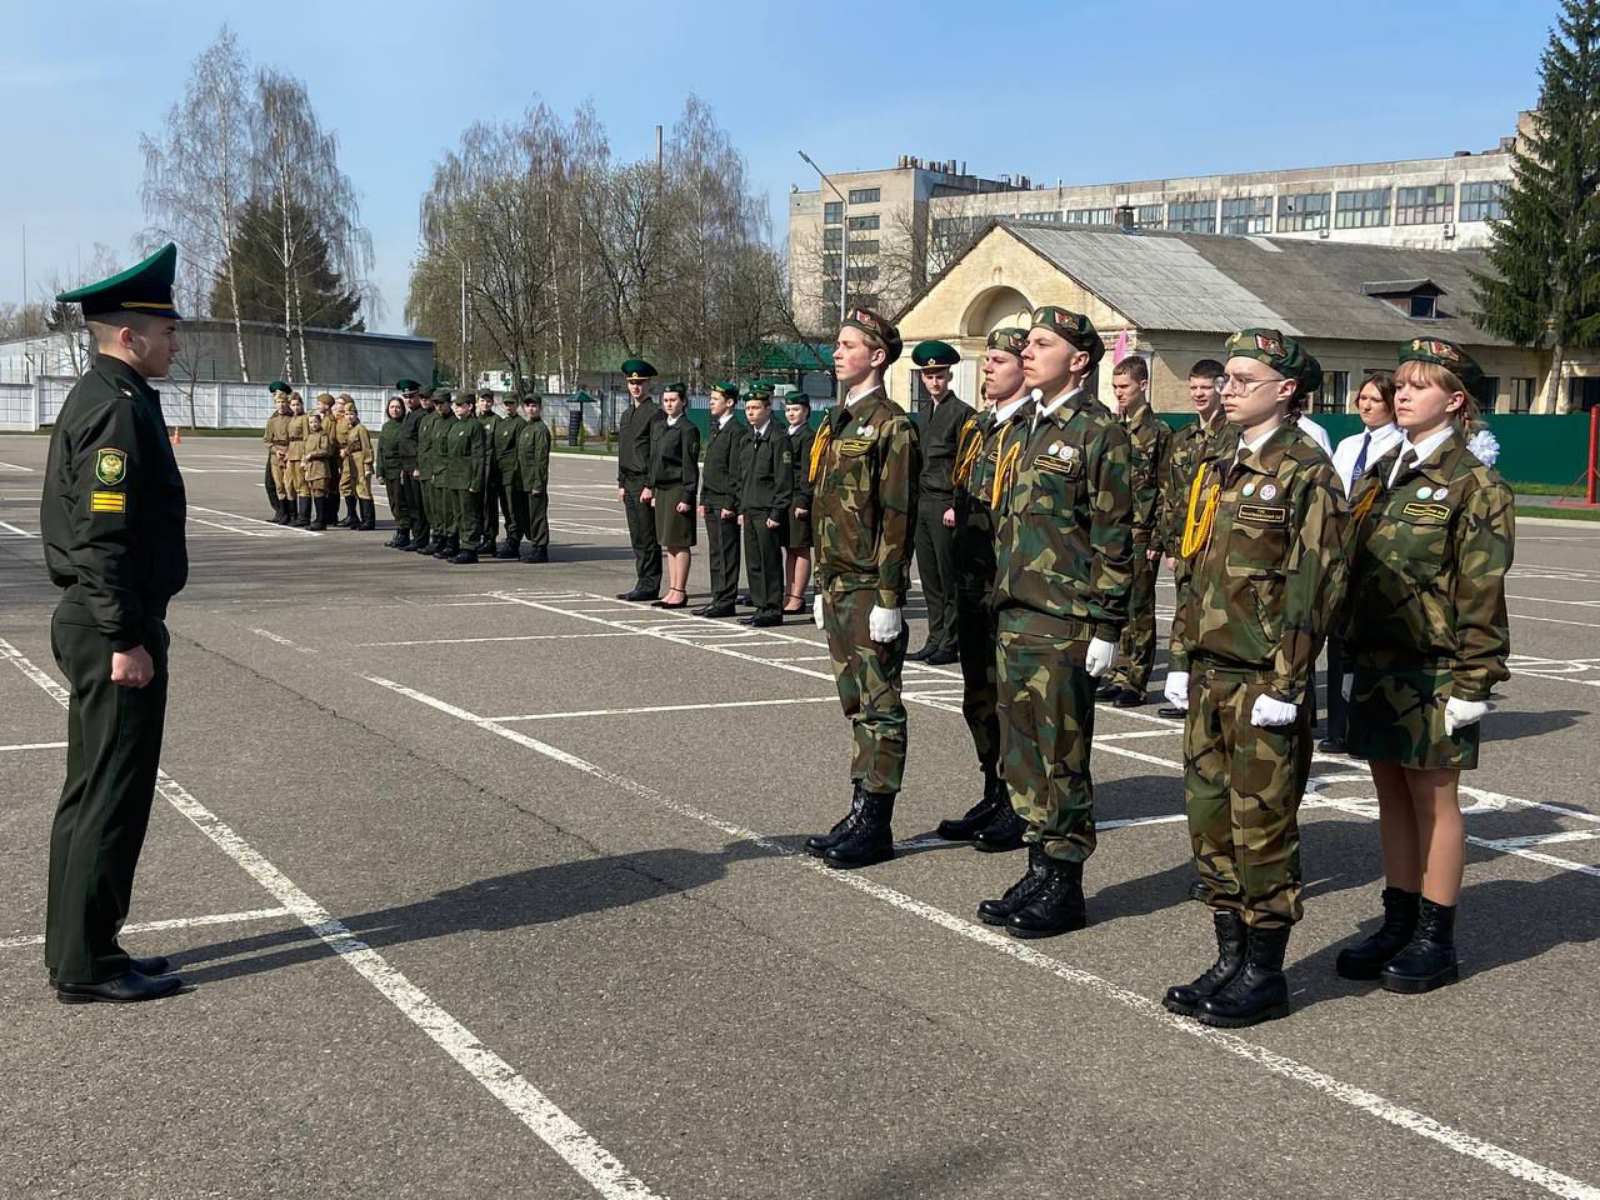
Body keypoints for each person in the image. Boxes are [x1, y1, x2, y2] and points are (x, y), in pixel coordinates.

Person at [1161, 328, 1348, 1028]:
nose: (1229, 388)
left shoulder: (1307, 471)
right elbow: (1194, 568)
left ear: (1287, 390)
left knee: (1261, 828)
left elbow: (1315, 584)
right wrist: (1179, 656)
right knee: (1210, 824)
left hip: (1263, 680)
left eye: (1245, 378)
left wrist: (1290, 683)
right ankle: (1229, 957)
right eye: (1229, 378)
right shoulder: (1218, 461)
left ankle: (1265, 974)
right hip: (1210, 672)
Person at [1333, 339, 1512, 994]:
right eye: (1399, 383)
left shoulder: (1474, 485)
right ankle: (1398, 917)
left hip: (1437, 668)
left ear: (1455, 400)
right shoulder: (1384, 473)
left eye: (1419, 385)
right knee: (1390, 794)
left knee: (1435, 798)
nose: (1402, 393)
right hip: (1381, 662)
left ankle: (1437, 936)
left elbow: (1481, 591)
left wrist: (1475, 681)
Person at [40, 242, 188, 1003]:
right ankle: (87, 963)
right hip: (110, 627)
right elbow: (102, 538)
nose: (175, 342)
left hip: (107, 620)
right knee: (109, 792)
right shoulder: (114, 407)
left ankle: (88, 943)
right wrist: (125, 637)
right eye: (166, 331)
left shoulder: (115, 395)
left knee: (97, 787)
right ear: (129, 335)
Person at [976, 307, 1133, 938]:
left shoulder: (1100, 434)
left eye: (1045, 343)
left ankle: (1065, 882)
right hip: (1016, 613)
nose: (1030, 351)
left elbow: (1115, 537)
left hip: (1066, 622)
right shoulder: (1024, 429)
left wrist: (1108, 626)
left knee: (1062, 756)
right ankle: (1040, 864)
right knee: (1024, 754)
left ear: (1080, 360)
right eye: (1030, 342)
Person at [802, 307, 919, 869]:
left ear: (877, 356)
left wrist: (892, 600)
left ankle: (876, 822)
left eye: (848, 344)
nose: (837, 352)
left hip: (873, 587)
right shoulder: (838, 422)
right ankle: (859, 807)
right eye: (837, 343)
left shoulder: (893, 425)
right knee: (856, 704)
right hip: (840, 584)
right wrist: (823, 586)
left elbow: (897, 518)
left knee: (880, 706)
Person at [935, 327, 1033, 849]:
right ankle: (994, 788)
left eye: (998, 359)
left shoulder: (1031, 428)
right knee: (979, 695)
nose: (988, 368)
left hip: (1011, 580)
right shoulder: (977, 426)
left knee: (1012, 699)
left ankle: (1020, 803)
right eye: (987, 359)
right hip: (973, 576)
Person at [1322, 371, 1402, 751]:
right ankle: (1337, 726)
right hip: (1342, 551)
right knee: (1338, 643)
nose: (1366, 406)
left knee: (1367, 642)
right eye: (1362, 399)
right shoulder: (1349, 444)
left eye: (1375, 399)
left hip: (1374, 552)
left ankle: (1364, 723)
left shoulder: (1399, 448)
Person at [1157, 359, 1236, 720]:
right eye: (1194, 389)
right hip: (1187, 543)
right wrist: (1171, 545)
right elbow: (1171, 496)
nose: (1199, 395)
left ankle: (1207, 691)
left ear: (1220, 388)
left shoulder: (1232, 435)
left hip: (1216, 545)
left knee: (1213, 618)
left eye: (1205, 388)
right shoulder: (1184, 437)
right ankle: (1181, 688)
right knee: (1183, 614)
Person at [1097, 355, 1170, 708]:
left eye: (1124, 386)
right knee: (1116, 601)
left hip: (1141, 530)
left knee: (1139, 609)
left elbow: (1166, 488)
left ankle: (1136, 680)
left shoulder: (1158, 432)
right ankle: (1117, 672)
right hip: (1115, 528)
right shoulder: (1114, 428)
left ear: (1143, 385)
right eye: (1115, 387)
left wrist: (1158, 538)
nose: (1119, 393)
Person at [908, 340, 975, 665]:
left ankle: (951, 640)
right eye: (929, 375)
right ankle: (934, 637)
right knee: (930, 576)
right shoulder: (923, 415)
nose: (934, 381)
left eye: (940, 375)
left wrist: (955, 504)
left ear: (949, 376)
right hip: (924, 502)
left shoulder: (962, 414)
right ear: (922, 378)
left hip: (945, 503)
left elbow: (966, 464)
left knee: (949, 578)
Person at [736, 386, 792, 628]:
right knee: (754, 562)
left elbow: (783, 478)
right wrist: (741, 508)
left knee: (770, 562)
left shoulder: (778, 438)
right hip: (750, 509)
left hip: (768, 511)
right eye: (748, 408)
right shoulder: (748, 438)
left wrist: (777, 512)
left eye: (756, 407)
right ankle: (760, 606)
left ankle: (772, 608)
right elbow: (742, 476)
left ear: (768, 409)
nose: (751, 412)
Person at [644, 383, 702, 609]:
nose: (669, 404)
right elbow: (654, 460)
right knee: (668, 542)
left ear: (683, 402)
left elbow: (690, 465)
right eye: (666, 400)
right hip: (663, 489)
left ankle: (680, 590)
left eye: (673, 400)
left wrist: (687, 495)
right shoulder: (659, 427)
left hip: (678, 488)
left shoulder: (688, 429)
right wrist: (651, 486)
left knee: (680, 540)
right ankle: (672, 589)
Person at [617, 359, 666, 600]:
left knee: (648, 537)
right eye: (632, 383)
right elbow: (623, 450)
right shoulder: (627, 414)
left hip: (644, 481)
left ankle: (649, 584)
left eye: (640, 382)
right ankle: (642, 580)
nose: (636, 387)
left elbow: (655, 453)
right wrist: (620, 483)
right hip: (629, 481)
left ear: (648, 384)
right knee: (637, 536)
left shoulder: (655, 414)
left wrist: (650, 484)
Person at [696, 382, 746, 617]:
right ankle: (718, 597)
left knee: (727, 552)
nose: (711, 402)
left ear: (730, 403)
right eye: (711, 398)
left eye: (716, 398)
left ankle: (726, 600)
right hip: (712, 499)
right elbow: (710, 469)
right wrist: (704, 498)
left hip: (725, 500)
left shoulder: (736, 431)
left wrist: (730, 503)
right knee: (716, 552)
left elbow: (735, 471)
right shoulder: (717, 427)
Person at [782, 392, 816, 614]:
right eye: (788, 410)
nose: (791, 414)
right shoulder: (786, 434)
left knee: (800, 548)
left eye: (796, 410)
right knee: (789, 548)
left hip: (798, 497)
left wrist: (804, 500)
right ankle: (789, 592)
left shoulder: (807, 436)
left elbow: (807, 471)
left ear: (806, 411)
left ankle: (798, 596)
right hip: (786, 496)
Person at [441, 392, 485, 563]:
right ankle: (461, 544)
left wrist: (476, 480)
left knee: (469, 515)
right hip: (454, 478)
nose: (457, 408)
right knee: (458, 514)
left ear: (470, 407)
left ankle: (470, 548)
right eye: (455, 405)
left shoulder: (474, 426)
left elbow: (478, 455)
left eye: (460, 405)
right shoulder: (455, 426)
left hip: (466, 478)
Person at [516, 395, 552, 563]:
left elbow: (541, 460)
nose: (531, 409)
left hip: (534, 482)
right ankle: (535, 545)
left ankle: (540, 548)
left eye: (534, 406)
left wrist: (539, 483)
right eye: (528, 406)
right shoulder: (527, 428)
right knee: (528, 516)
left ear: (540, 408)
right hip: (524, 480)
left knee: (537, 516)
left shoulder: (540, 430)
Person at [492, 393, 527, 559]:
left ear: (517, 404)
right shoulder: (502, 423)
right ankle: (510, 538)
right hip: (500, 472)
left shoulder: (520, 424)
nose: (508, 406)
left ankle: (514, 541)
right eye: (506, 403)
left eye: (511, 403)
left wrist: (516, 473)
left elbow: (520, 452)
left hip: (511, 473)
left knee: (513, 510)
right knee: (505, 509)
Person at [376, 397, 411, 546]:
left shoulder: (405, 426)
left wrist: (405, 469)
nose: (395, 410)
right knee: (393, 502)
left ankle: (404, 532)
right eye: (392, 407)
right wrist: (379, 472)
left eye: (398, 407)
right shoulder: (386, 427)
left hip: (400, 469)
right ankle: (399, 529)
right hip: (388, 469)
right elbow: (380, 450)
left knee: (401, 502)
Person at [397, 381, 427, 550]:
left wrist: (418, 466)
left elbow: (420, 444)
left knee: (418, 504)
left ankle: (421, 538)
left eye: (412, 396)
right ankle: (416, 537)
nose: (408, 400)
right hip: (406, 465)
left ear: (418, 396)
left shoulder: (421, 415)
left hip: (416, 465)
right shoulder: (409, 415)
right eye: (406, 397)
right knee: (411, 504)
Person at [475, 389, 502, 555]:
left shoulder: (496, 421)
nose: (485, 404)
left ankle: (489, 539)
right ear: (477, 402)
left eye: (488, 401)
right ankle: (477, 537)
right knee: (476, 506)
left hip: (490, 469)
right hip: (475, 470)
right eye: (482, 400)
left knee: (489, 507)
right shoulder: (474, 421)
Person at [343, 403, 376, 531]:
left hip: (361, 461)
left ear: (356, 415)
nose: (349, 417)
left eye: (351, 414)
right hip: (353, 462)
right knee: (357, 490)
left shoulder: (361, 429)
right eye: (346, 414)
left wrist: (368, 464)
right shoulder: (351, 429)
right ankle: (363, 520)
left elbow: (367, 447)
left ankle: (369, 520)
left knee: (364, 491)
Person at [264, 388, 293, 524]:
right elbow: (267, 440)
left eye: (283, 401)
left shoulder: (292, 419)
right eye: (277, 401)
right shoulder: (272, 420)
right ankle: (281, 512)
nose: (280, 404)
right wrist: (276, 450)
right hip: (276, 455)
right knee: (277, 485)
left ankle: (291, 513)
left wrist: (288, 451)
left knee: (289, 485)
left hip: (289, 454)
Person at [302, 411, 335, 531]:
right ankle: (318, 519)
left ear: (320, 422)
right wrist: (304, 463)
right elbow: (304, 452)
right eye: (311, 422)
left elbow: (326, 451)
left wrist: (312, 454)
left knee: (320, 493)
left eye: (315, 421)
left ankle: (321, 520)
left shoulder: (323, 435)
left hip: (320, 468)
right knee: (315, 493)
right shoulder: (309, 436)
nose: (313, 424)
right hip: (311, 469)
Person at [285, 393, 310, 527]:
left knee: (302, 485)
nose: (295, 407)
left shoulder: (304, 418)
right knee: (290, 484)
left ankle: (303, 517)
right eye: (293, 405)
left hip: (300, 449)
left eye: (298, 404)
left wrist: (305, 457)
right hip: (292, 451)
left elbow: (307, 437)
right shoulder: (292, 419)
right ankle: (293, 515)